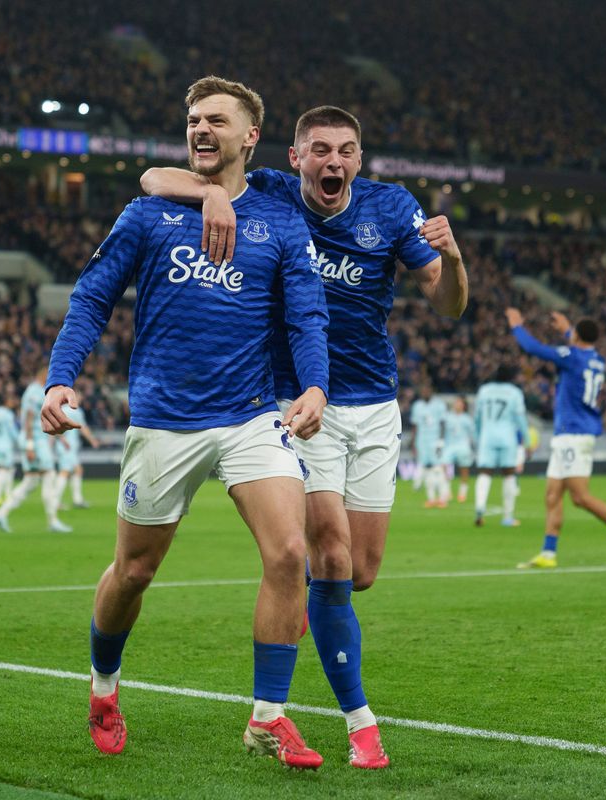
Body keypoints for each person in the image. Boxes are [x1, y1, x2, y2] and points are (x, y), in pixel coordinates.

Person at [141, 103, 468, 769]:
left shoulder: (390, 208)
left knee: (358, 572)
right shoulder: (266, 196)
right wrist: (211, 194)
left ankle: (290, 606)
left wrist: (455, 260)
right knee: (331, 557)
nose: (334, 162)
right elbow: (151, 179)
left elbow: (449, 302)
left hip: (375, 406)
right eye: (320, 150)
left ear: (359, 158)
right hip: (296, 403)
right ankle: (357, 723)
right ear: (294, 158)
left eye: (346, 150)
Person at [43, 76, 331, 769]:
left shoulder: (280, 218)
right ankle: (104, 685)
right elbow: (90, 298)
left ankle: (268, 717)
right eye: (193, 120)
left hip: (250, 415)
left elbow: (305, 312)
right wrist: (59, 379)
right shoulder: (148, 214)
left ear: (250, 137)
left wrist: (317, 384)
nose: (201, 130)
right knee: (135, 571)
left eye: (216, 121)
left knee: (292, 553)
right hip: (166, 420)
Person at [506, 308, 606, 569]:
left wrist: (517, 326)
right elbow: (580, 343)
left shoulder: (571, 356)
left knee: (580, 497)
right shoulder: (597, 359)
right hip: (568, 435)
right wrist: (568, 329)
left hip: (575, 435)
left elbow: (534, 348)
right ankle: (548, 553)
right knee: (552, 495)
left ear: (577, 337)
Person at [0, 365, 70, 534]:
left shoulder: (36, 391)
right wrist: (29, 445)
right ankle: (53, 520)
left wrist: (60, 439)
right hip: (36, 441)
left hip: (35, 440)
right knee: (49, 475)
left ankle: (1, 513)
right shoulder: (34, 393)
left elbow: (44, 418)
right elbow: (28, 419)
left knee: (31, 481)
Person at [473, 365, 529, 527]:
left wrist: (478, 436)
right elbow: (520, 418)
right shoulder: (514, 392)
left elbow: (477, 416)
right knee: (509, 474)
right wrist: (526, 439)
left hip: (487, 437)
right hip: (507, 437)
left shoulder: (484, 390)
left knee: (485, 473)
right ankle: (507, 517)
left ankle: (479, 509)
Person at [54, 398, 100, 509]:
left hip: (64, 445)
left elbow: (55, 427)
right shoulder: (75, 411)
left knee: (77, 470)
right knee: (65, 472)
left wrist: (60, 439)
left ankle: (77, 500)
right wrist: (92, 440)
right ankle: (55, 501)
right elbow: (83, 428)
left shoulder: (59, 410)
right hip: (67, 446)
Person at [409, 387, 448, 508]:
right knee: (427, 469)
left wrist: (441, 440)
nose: (425, 392)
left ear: (432, 391)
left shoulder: (439, 405)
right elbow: (415, 425)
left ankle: (443, 497)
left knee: (438, 469)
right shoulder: (417, 406)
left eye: (427, 390)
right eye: (423, 390)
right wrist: (413, 442)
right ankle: (431, 498)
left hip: (435, 441)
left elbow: (442, 423)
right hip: (422, 441)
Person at [439, 396, 475, 504]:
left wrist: (473, 446)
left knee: (464, 470)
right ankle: (447, 491)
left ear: (464, 406)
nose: (457, 405)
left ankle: (462, 493)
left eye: (459, 403)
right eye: (456, 403)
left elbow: (472, 434)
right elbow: (442, 428)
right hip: (449, 445)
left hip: (463, 446)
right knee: (444, 466)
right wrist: (440, 442)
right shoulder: (447, 417)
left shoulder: (467, 418)